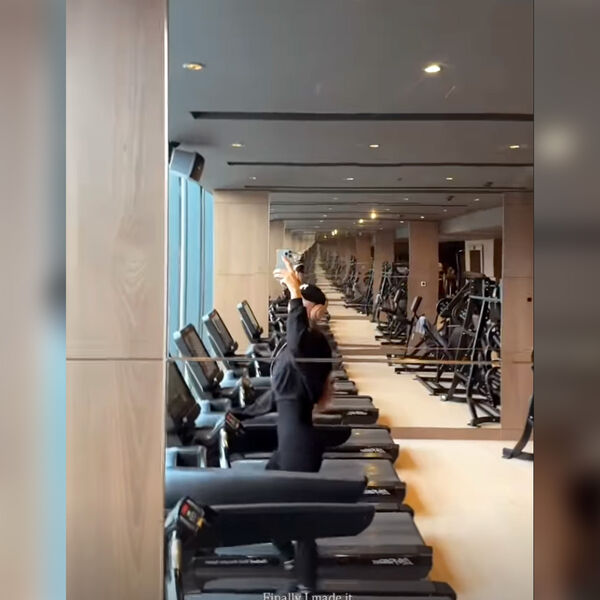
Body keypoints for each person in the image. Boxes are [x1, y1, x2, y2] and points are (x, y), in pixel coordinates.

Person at [267, 256, 333, 592]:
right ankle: (291, 559)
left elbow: (295, 342)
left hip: (299, 444)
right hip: (291, 440)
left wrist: (295, 292)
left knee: (302, 525)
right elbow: (278, 389)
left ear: (311, 309)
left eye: (299, 304)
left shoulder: (313, 342)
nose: (293, 308)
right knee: (266, 500)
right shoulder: (304, 342)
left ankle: (307, 584)